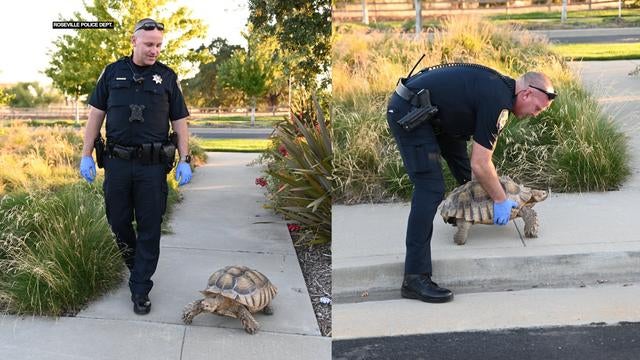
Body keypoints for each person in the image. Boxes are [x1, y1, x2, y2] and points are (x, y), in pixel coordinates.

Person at [386, 62, 556, 303]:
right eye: (537, 108)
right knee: (430, 187)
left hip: (435, 118)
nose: (534, 114)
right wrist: (500, 199)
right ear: (527, 93)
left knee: (469, 179)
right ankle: (415, 277)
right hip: (410, 114)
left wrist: (486, 192)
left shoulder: (498, 89)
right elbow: (482, 163)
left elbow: (477, 169)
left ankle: (464, 217)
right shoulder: (499, 102)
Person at [79, 18, 192, 315]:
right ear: (134, 41)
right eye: (149, 44)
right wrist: (86, 154)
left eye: (158, 45)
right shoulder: (112, 73)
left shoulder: (167, 78)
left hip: (152, 169)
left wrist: (185, 159)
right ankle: (136, 265)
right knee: (117, 222)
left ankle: (140, 287)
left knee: (150, 227)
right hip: (116, 164)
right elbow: (95, 116)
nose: (155, 50)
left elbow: (179, 121)